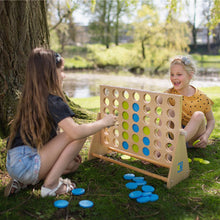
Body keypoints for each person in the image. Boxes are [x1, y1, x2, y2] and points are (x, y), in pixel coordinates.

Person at [4, 48, 117, 197]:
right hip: (28, 163)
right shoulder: (53, 101)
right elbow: (76, 132)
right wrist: (103, 122)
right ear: (50, 74)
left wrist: (68, 154)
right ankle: (50, 185)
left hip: (14, 162)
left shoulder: (32, 99)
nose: (64, 75)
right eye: (61, 70)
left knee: (71, 166)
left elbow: (50, 138)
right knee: (79, 134)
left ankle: (20, 181)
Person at [165, 55, 215, 148]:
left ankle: (173, 149)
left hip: (193, 139)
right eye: (172, 74)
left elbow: (211, 120)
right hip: (175, 134)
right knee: (170, 111)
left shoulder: (202, 97)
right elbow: (152, 103)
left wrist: (206, 136)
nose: (174, 77)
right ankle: (157, 151)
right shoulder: (169, 93)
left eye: (179, 74)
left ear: (190, 75)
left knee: (198, 115)